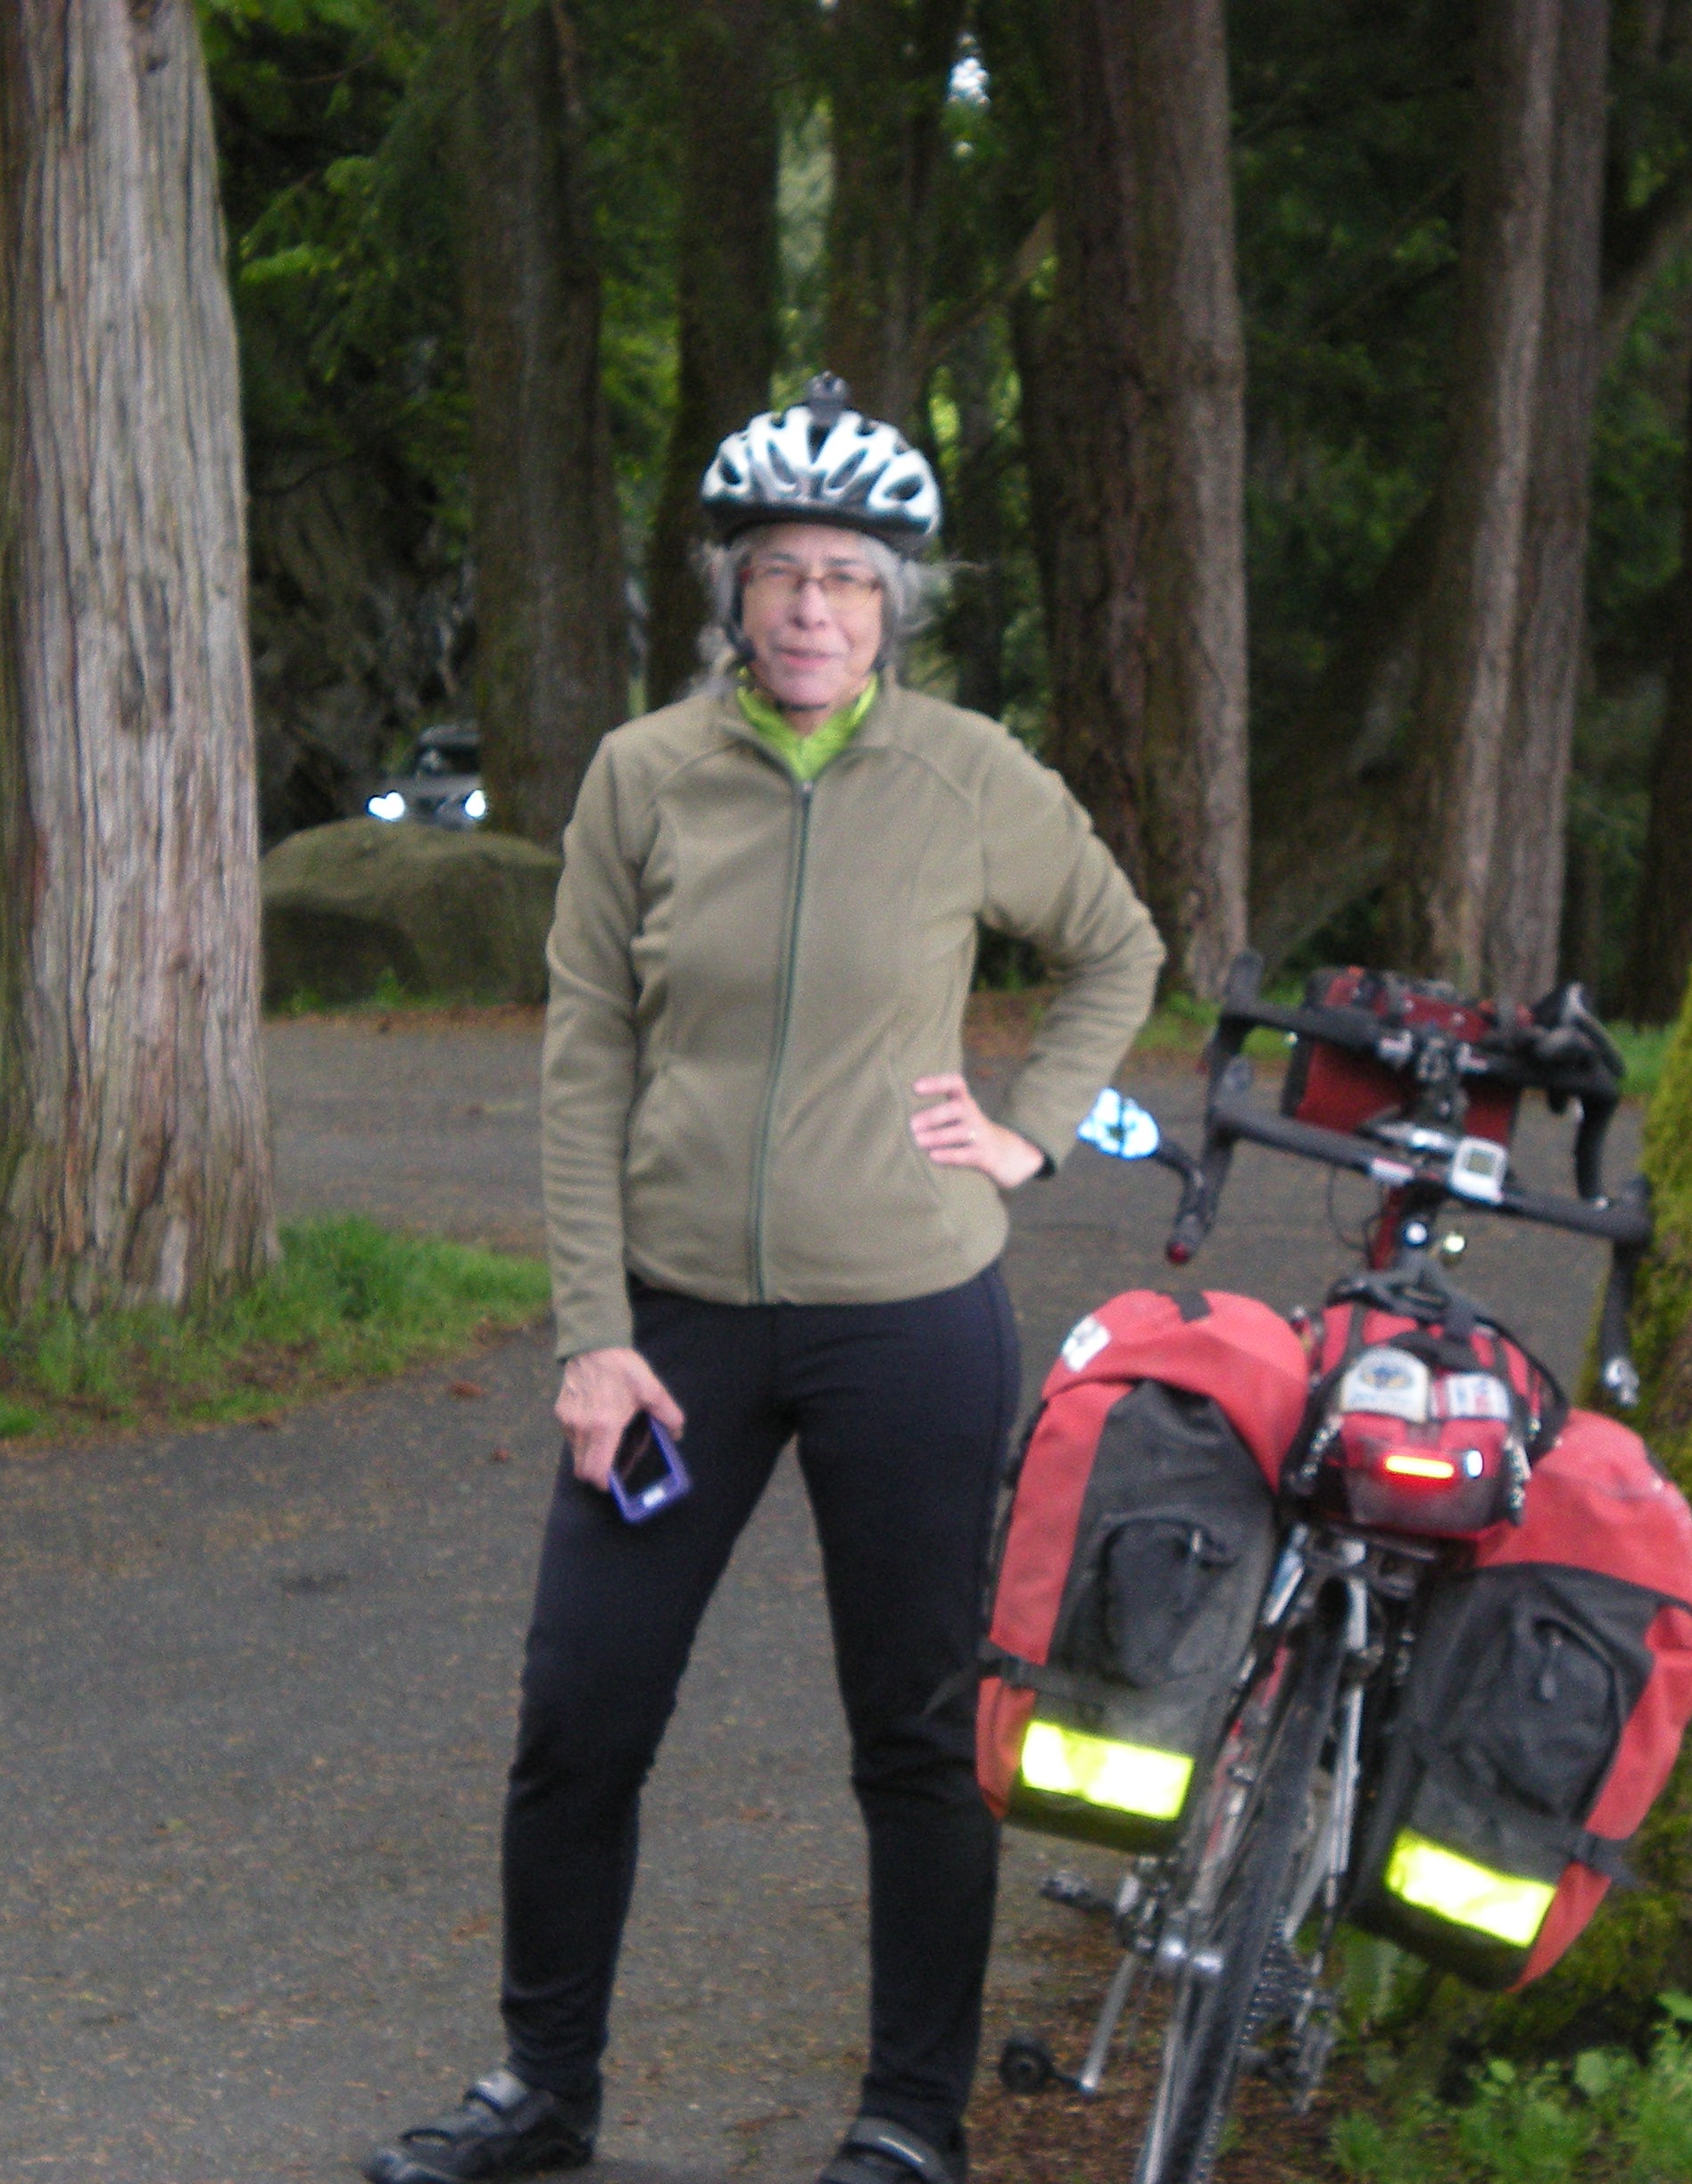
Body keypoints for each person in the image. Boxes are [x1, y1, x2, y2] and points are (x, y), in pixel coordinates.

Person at [362, 376, 1164, 2184]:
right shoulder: (644, 777)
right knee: (582, 1714)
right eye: (783, 570)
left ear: (896, 605)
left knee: (918, 1734)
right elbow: (586, 1053)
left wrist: (1030, 1131)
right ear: (731, 587)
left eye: (851, 577)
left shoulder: (969, 775)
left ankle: (909, 2121)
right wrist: (591, 1338)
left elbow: (1117, 945)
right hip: (677, 1329)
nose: (814, 607)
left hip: (911, 1320)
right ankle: (543, 2088)